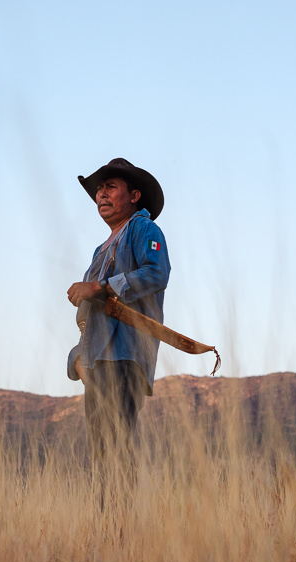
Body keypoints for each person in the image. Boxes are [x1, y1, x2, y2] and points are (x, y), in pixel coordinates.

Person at [66, 158, 169, 510]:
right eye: (98, 189)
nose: (101, 194)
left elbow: (156, 273)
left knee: (118, 442)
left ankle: (120, 532)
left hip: (126, 354)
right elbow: (86, 317)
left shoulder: (144, 230)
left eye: (110, 187)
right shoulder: (100, 251)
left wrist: (100, 287)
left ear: (134, 195)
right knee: (100, 451)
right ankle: (107, 533)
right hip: (97, 361)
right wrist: (78, 359)